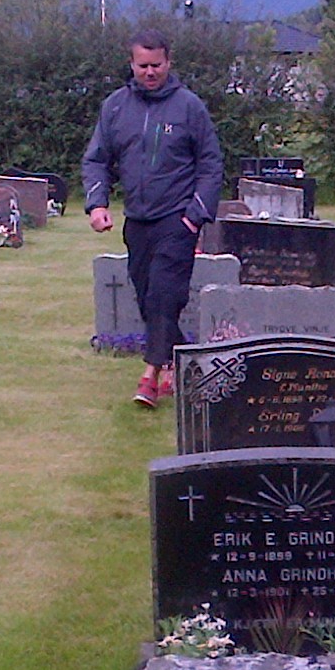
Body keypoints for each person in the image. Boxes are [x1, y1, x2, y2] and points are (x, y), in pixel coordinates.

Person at [82, 30, 224, 406]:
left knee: (164, 292)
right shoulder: (115, 107)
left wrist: (195, 216)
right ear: (132, 64)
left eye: (156, 65)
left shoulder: (189, 107)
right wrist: (97, 204)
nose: (150, 72)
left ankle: (150, 375)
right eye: (143, 65)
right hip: (137, 220)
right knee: (149, 299)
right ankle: (178, 364)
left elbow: (211, 164)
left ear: (168, 62)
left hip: (177, 218)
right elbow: (96, 160)